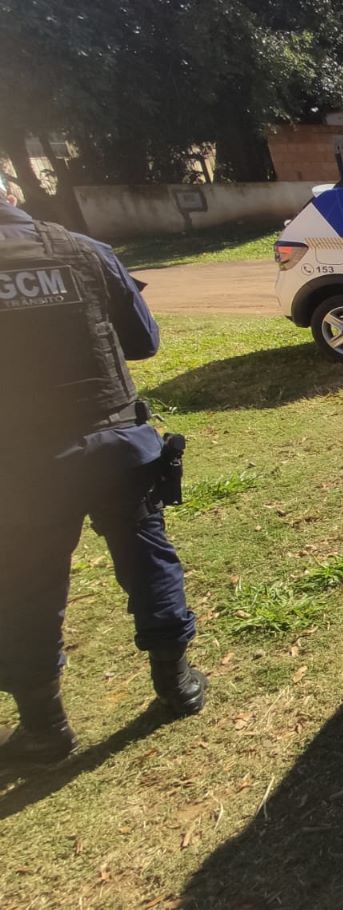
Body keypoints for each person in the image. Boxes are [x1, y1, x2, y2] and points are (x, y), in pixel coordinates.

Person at [0, 175, 207, 769]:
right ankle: (177, 685)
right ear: (11, 194)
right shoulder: (83, 251)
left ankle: (44, 729)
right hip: (116, 446)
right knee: (147, 560)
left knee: (25, 586)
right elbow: (143, 341)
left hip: (23, 463)